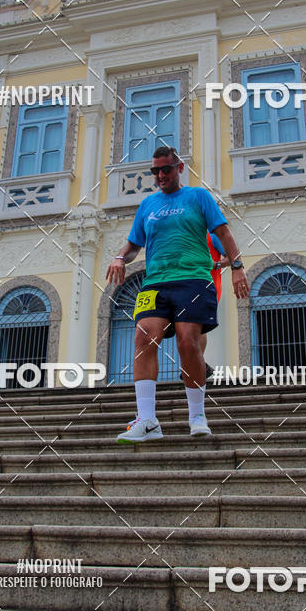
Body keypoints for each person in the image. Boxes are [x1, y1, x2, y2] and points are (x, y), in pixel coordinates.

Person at [106, 146, 249, 442]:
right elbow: (134, 245)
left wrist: (237, 267)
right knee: (143, 338)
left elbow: (223, 233)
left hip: (193, 280)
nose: (160, 176)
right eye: (155, 171)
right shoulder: (147, 205)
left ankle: (197, 414)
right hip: (155, 281)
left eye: (166, 170)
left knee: (188, 342)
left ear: (179, 168)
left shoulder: (198, 197)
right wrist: (120, 257)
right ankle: (147, 420)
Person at [201, 231, 229, 379]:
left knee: (196, 325)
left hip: (207, 286)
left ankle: (197, 363)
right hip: (183, 284)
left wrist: (216, 264)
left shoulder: (212, 234)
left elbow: (232, 257)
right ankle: (197, 363)